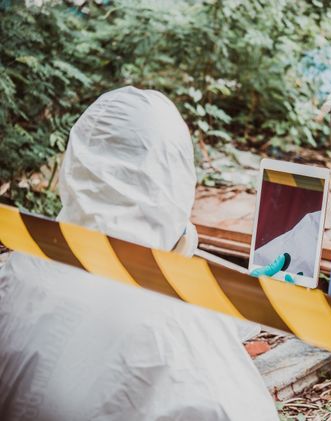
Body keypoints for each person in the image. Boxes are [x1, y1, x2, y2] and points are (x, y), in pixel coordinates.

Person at [0, 86, 278, 420]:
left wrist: (237, 312)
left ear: (77, 165)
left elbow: (83, 327)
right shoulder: (177, 326)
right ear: (175, 176)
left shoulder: (19, 269)